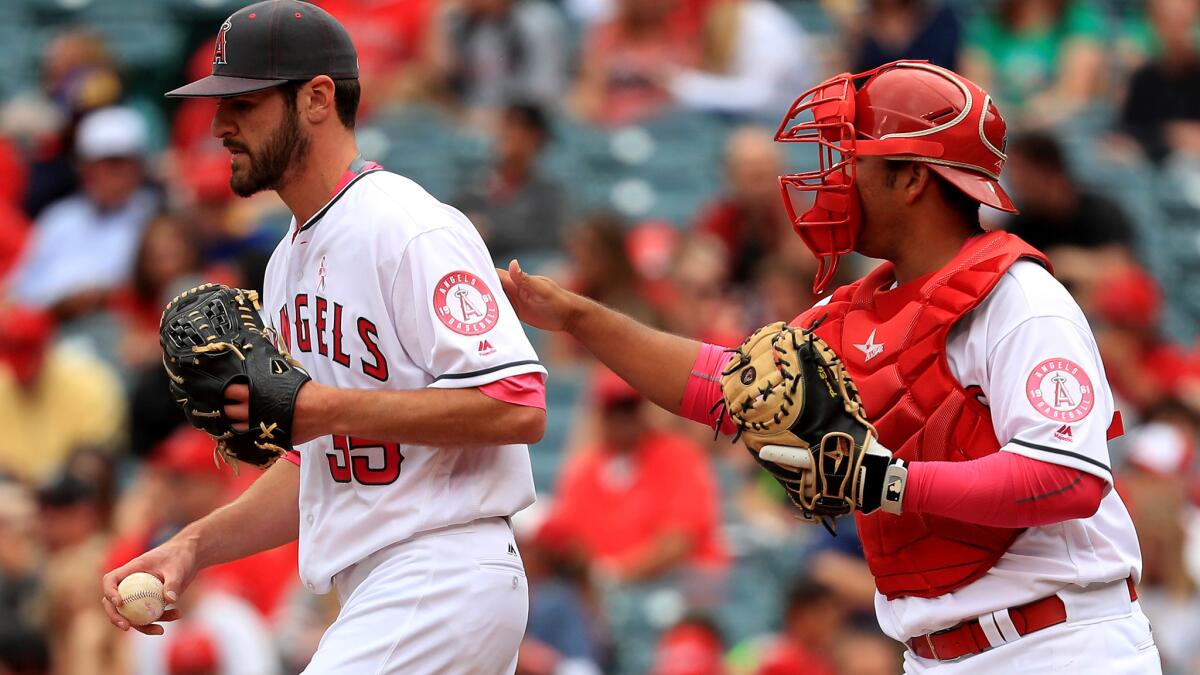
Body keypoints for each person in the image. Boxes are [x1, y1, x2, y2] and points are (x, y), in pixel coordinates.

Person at [501, 61, 1159, 672]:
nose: (833, 176)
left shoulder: (1019, 299)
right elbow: (724, 384)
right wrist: (584, 318)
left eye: (854, 158)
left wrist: (893, 482)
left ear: (911, 177)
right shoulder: (858, 311)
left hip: (1061, 645)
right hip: (935, 653)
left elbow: (1064, 477)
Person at [100, 3, 547, 674]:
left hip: (438, 568)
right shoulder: (286, 263)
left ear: (316, 98)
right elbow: (316, 457)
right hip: (387, 582)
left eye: (242, 104)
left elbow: (517, 404)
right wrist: (195, 544)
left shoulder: (405, 225)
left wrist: (322, 407)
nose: (219, 126)